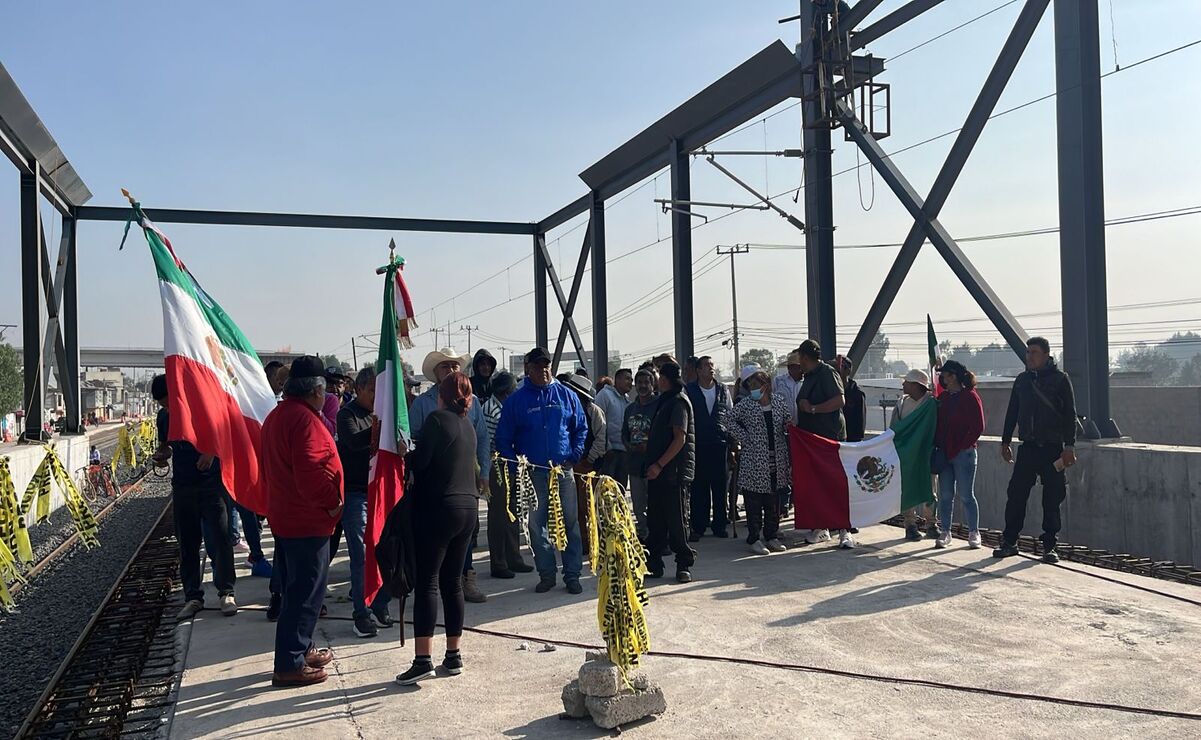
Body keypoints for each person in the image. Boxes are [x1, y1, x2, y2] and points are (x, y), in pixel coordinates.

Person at [260, 356, 344, 688]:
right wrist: (333, 503)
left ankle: (303, 647)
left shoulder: (279, 416)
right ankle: (289, 663)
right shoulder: (305, 422)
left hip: (288, 516)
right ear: (317, 390)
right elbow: (311, 472)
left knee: (300, 588)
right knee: (304, 593)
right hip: (307, 520)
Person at [395, 372, 481, 685]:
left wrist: (406, 451)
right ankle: (453, 654)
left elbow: (420, 463)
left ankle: (422, 660)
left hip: (439, 508)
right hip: (468, 508)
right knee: (453, 583)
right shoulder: (468, 425)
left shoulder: (436, 420)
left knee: (428, 582)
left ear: (442, 395)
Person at [494, 348, 588, 595]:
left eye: (546, 365)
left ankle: (572, 575)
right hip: (533, 475)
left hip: (563, 472)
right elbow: (503, 439)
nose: (543, 370)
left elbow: (581, 428)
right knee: (536, 526)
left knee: (570, 523)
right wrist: (516, 467)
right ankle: (547, 574)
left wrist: (575, 455)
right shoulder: (516, 401)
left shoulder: (567, 396)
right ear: (528, 369)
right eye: (537, 366)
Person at [151, 374, 237, 621]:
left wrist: (210, 452)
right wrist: (162, 454)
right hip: (183, 485)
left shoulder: (200, 409)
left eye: (166, 401)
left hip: (212, 485)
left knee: (221, 539)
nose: (165, 407)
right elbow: (166, 445)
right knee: (187, 543)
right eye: (161, 403)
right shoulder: (165, 417)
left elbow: (224, 433)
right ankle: (193, 597)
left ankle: (226, 592)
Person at [410, 348, 491, 603]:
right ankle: (434, 582)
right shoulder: (424, 403)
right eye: (445, 367)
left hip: (465, 478)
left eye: (454, 366)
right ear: (435, 374)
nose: (451, 371)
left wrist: (484, 472)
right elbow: (412, 440)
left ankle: (466, 577)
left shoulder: (472, 401)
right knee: (434, 540)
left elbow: (483, 439)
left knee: (465, 535)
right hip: (432, 485)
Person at [996, 337, 1077, 563]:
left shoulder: (1060, 380)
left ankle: (1050, 546)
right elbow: (1012, 411)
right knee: (1016, 495)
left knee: (1052, 499)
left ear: (1046, 355)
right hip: (1028, 449)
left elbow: (1070, 414)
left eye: (1034, 352)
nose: (1029, 357)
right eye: (1028, 352)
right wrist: (1005, 442)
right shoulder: (1022, 381)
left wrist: (1069, 446)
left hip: (1052, 449)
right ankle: (1010, 541)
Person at [336, 367, 394, 638]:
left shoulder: (383, 414)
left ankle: (381, 602)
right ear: (358, 389)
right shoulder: (347, 414)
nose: (375, 395)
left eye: (379, 391)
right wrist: (380, 425)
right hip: (356, 493)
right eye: (371, 390)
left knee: (387, 550)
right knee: (361, 554)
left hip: (380, 491)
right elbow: (354, 441)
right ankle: (361, 613)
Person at [793, 339, 853, 548]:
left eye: (799, 357)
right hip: (813, 440)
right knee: (818, 485)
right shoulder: (808, 377)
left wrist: (813, 408)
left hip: (830, 438)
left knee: (835, 484)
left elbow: (839, 400)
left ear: (805, 357)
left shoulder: (827, 373)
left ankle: (845, 530)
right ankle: (822, 526)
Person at [729, 369, 793, 555]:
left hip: (776, 459)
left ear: (766, 384)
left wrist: (788, 427)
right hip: (754, 461)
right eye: (750, 385)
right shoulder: (746, 404)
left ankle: (771, 534)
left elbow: (787, 422)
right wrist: (744, 437)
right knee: (754, 501)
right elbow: (728, 420)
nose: (754, 389)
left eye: (757, 385)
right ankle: (754, 537)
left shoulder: (779, 402)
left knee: (773, 500)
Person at [644, 362, 696, 582]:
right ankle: (654, 564)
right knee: (655, 522)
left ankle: (683, 564)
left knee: (677, 523)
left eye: (658, 375)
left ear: (664, 379)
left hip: (672, 474)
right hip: (659, 474)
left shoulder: (678, 402)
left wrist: (659, 465)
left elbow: (680, 438)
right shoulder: (664, 400)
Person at [482, 371, 533, 578]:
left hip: (510, 465)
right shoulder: (492, 410)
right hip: (497, 466)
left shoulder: (506, 407)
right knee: (498, 516)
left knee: (513, 512)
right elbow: (492, 443)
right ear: (505, 392)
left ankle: (514, 558)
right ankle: (499, 563)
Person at [933, 360, 985, 550]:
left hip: (964, 454)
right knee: (945, 495)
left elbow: (978, 426)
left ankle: (974, 532)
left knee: (966, 495)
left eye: (944, 375)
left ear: (953, 376)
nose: (942, 379)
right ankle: (945, 531)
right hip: (946, 453)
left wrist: (962, 445)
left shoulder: (970, 397)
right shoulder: (944, 398)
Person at [685, 356, 732, 540]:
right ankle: (699, 525)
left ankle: (720, 524)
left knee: (720, 487)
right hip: (699, 445)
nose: (711, 368)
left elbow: (729, 412)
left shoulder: (722, 390)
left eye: (712, 365)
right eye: (706, 366)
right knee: (699, 487)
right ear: (698, 370)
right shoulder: (690, 390)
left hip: (719, 444)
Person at [562, 370, 606, 565]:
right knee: (575, 510)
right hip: (571, 465)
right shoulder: (567, 410)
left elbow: (601, 438)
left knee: (592, 507)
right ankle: (582, 543)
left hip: (590, 466)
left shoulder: (594, 411)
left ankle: (597, 542)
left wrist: (589, 459)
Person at [894, 369, 937, 541]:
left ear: (916, 385)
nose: (903, 384)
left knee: (930, 489)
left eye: (907, 382)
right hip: (907, 455)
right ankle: (910, 525)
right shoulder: (901, 403)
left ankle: (931, 524)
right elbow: (895, 428)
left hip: (926, 453)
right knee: (908, 490)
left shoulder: (931, 404)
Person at [622, 368, 658, 543]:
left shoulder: (659, 406)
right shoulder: (630, 409)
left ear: (652, 384)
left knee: (655, 503)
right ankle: (643, 534)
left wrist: (650, 447)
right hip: (635, 464)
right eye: (640, 382)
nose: (643, 386)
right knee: (637, 504)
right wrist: (629, 446)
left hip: (654, 464)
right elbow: (624, 434)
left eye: (647, 382)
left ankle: (657, 535)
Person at [595, 368, 632, 489]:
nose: (630, 382)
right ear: (617, 380)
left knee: (620, 490)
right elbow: (599, 423)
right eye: (627, 378)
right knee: (606, 491)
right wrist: (607, 447)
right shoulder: (605, 395)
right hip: (608, 453)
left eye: (631, 380)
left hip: (624, 452)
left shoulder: (627, 401)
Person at [836, 356, 867, 443]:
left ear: (848, 371)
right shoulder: (830, 391)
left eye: (842, 367)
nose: (838, 372)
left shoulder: (857, 394)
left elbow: (860, 424)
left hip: (851, 441)